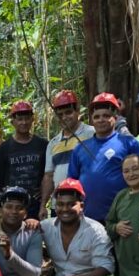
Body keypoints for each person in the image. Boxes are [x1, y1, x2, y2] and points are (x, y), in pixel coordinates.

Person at [67, 93, 139, 223]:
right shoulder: (80, 148)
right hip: (88, 219)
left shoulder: (128, 143)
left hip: (122, 217)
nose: (101, 120)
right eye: (97, 117)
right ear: (91, 120)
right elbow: (72, 181)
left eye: (106, 116)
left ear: (115, 118)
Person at [40, 179, 115, 276]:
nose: (65, 209)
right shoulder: (46, 227)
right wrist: (30, 223)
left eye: (71, 204)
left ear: (82, 206)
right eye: (60, 204)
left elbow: (107, 266)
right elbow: (26, 232)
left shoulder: (95, 230)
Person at [39, 90, 95, 219]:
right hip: (59, 205)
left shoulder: (91, 134)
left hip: (83, 202)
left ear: (77, 111)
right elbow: (48, 176)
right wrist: (43, 204)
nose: (64, 117)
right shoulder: (53, 143)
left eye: (68, 112)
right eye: (60, 114)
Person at [0, 101, 48, 218]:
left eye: (27, 118)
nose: (24, 122)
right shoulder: (5, 147)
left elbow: (47, 174)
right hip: (12, 207)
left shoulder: (42, 145)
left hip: (35, 205)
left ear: (33, 120)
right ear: (13, 121)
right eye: (20, 119)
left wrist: (44, 195)